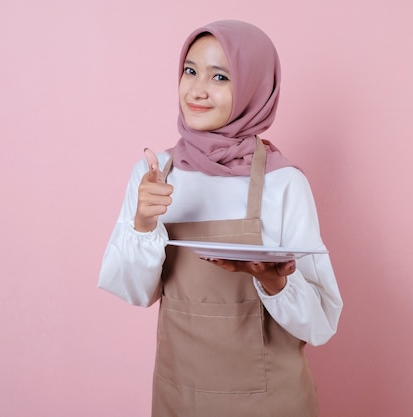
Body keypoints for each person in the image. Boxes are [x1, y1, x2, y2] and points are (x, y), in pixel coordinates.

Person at [98, 19, 342, 417]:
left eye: (220, 77)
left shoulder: (284, 183)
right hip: (180, 396)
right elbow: (136, 293)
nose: (197, 90)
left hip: (271, 401)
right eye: (190, 71)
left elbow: (321, 323)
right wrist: (143, 222)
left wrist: (271, 277)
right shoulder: (155, 175)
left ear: (253, 88)